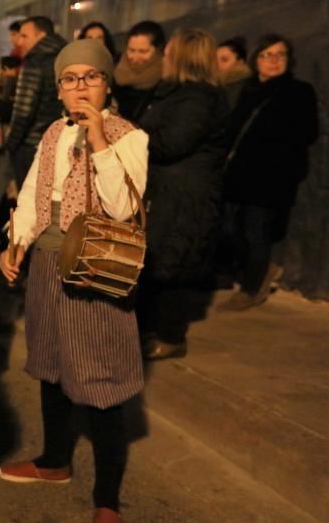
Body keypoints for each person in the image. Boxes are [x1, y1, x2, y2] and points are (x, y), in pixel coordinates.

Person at [0, 39, 148, 523]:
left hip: (96, 269)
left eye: (90, 77)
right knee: (52, 365)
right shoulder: (52, 134)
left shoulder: (130, 138)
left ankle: (108, 499)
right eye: (70, 78)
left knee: (98, 380)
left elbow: (122, 208)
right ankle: (55, 461)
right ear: (58, 89)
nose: (80, 87)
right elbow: (35, 193)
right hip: (46, 261)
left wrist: (101, 136)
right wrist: (15, 242)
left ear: (108, 83)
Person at [135, 29, 230, 360]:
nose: (163, 58)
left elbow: (173, 143)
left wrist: (133, 135)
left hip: (185, 196)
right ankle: (150, 328)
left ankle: (171, 336)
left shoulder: (198, 98)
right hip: (170, 191)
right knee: (158, 261)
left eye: (169, 53)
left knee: (174, 265)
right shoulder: (180, 94)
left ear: (183, 57)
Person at [220, 34, 318, 310]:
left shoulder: (299, 91)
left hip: (271, 176)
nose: (274, 60)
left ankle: (252, 288)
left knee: (256, 231)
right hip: (238, 174)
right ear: (256, 60)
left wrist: (277, 141)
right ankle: (258, 271)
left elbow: (307, 132)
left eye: (280, 55)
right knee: (229, 228)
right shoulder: (245, 90)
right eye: (267, 55)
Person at [4, 15, 67, 188]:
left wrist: (11, 144)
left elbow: (23, 111)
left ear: (41, 35)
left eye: (25, 36)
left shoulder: (35, 61)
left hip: (30, 144)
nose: (19, 42)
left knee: (28, 200)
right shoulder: (64, 57)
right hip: (57, 141)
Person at [114, 20, 165, 120]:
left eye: (143, 51)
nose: (135, 57)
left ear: (158, 49)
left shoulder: (166, 82)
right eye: (131, 50)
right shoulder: (114, 73)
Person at [215, 36, 251, 111]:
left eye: (224, 60)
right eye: (214, 59)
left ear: (240, 62)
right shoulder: (219, 86)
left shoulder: (240, 88)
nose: (217, 64)